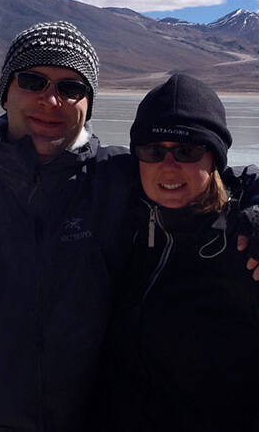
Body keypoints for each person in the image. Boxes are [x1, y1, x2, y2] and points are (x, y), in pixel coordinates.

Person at [0, 21, 258, 430]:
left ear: (88, 103)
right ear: (5, 92)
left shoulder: (115, 175)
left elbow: (222, 180)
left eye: (71, 88)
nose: (51, 100)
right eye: (32, 80)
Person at [105, 73, 259, 431]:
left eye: (187, 151)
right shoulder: (116, 215)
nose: (168, 166)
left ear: (215, 159)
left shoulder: (243, 243)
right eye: (153, 151)